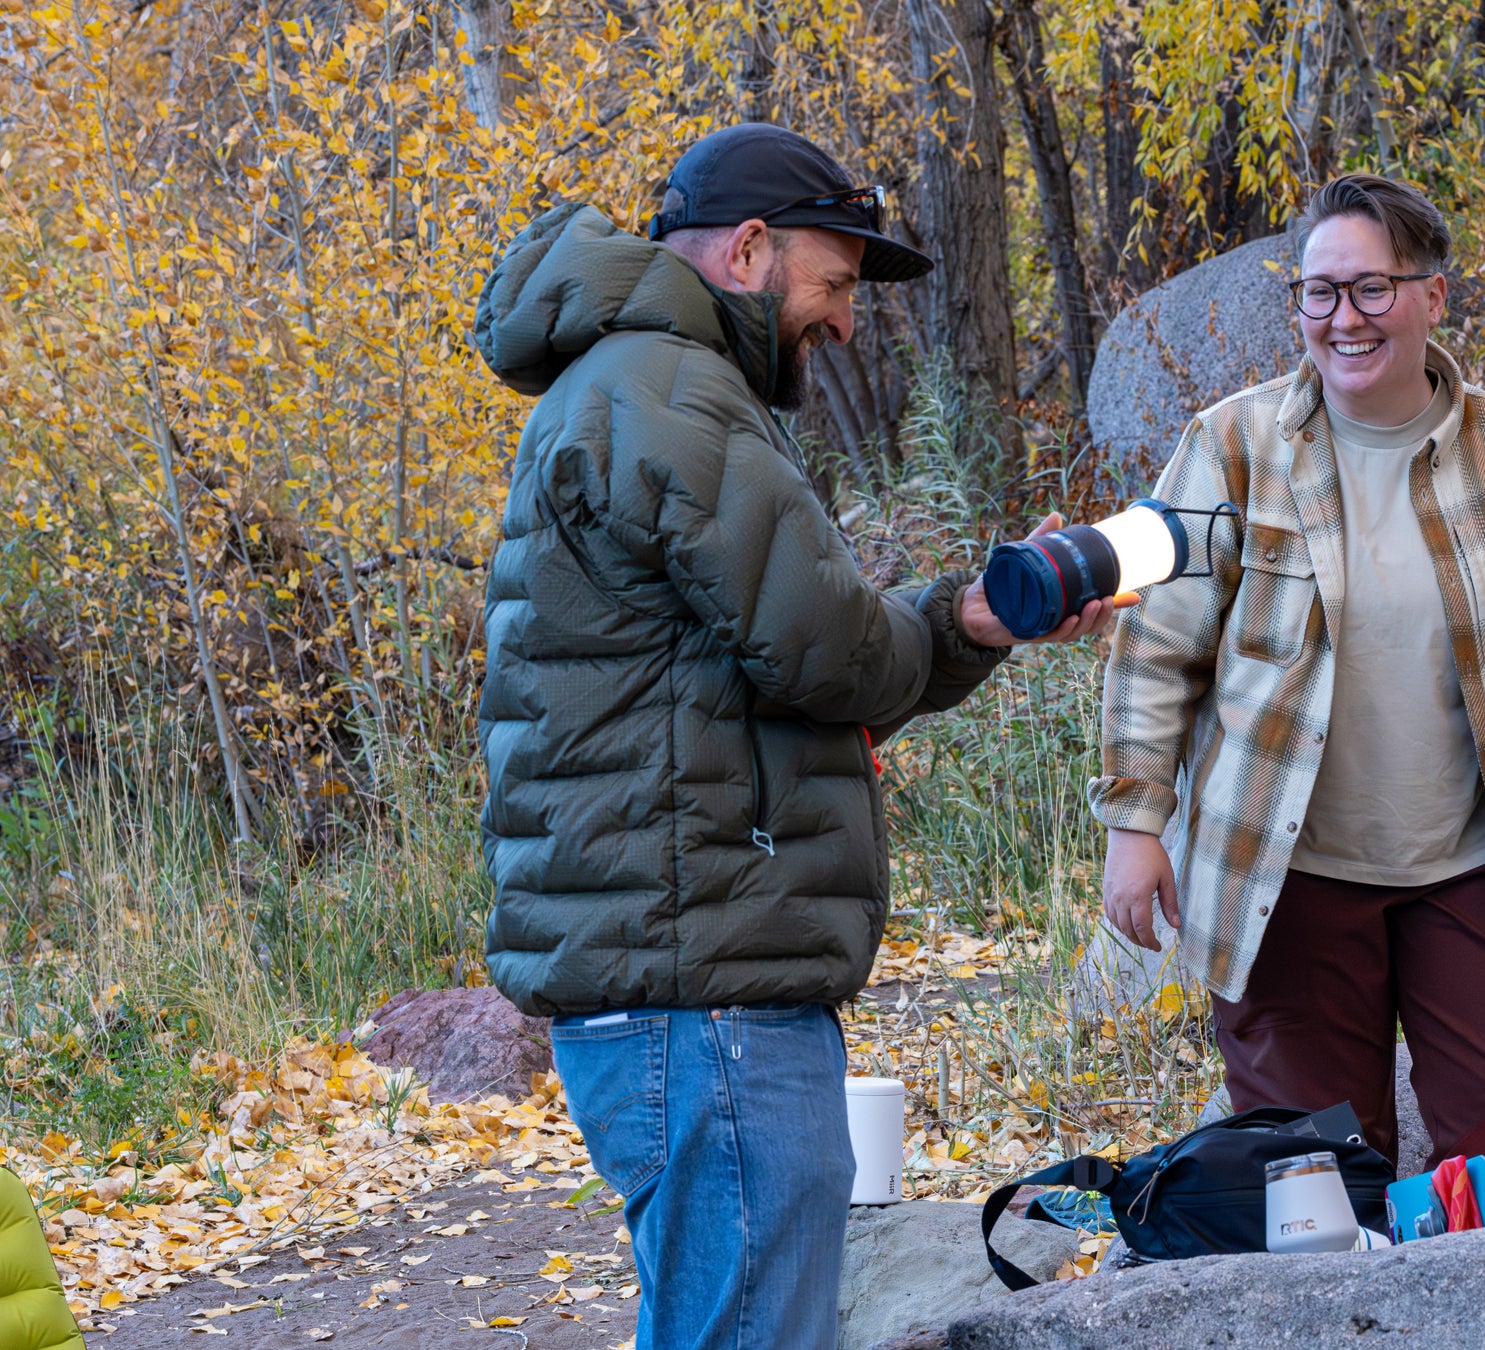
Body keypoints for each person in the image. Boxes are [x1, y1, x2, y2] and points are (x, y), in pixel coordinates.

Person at [468, 123, 1120, 1350]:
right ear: (750, 249)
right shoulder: (667, 391)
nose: (846, 322)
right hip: (703, 982)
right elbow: (826, 648)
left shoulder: (632, 383)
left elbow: (763, 653)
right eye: (833, 285)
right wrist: (960, 622)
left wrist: (962, 619)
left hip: (676, 968)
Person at [1092, 173, 1485, 1171]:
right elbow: (1154, 646)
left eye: (1371, 290)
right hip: (1285, 871)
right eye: (1319, 292)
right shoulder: (1224, 447)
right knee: (1312, 1180)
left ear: (1434, 296)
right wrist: (1136, 823)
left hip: (1475, 870)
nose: (1342, 319)